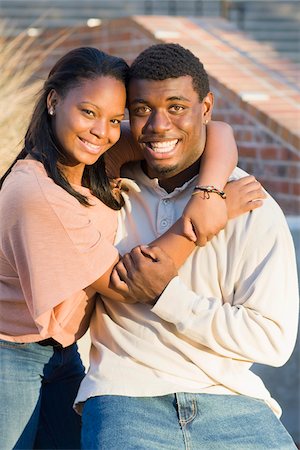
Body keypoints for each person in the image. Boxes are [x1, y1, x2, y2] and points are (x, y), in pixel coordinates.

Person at [0, 45, 260, 450]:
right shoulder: (37, 193)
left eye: (115, 119)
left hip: (63, 356)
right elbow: (131, 285)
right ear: (53, 101)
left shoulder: (93, 159)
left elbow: (216, 132)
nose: (102, 131)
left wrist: (207, 193)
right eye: (88, 112)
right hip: (10, 354)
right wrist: (211, 216)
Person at [77, 43, 299, 449]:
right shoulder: (106, 193)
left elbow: (273, 340)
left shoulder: (250, 205)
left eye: (177, 107)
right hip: (126, 395)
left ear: (207, 107)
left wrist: (168, 296)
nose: (158, 126)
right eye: (142, 109)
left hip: (233, 402)